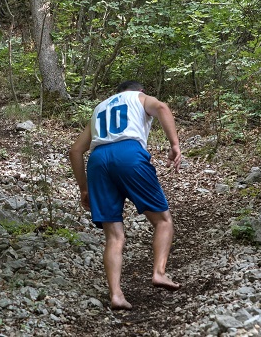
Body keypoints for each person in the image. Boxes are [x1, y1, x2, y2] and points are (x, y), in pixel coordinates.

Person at [68, 81, 182, 311]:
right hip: (128, 153)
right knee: (163, 221)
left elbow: (75, 151)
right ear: (140, 90)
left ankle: (116, 295)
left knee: (114, 236)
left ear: (116, 93)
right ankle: (159, 272)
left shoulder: (100, 108)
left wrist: (84, 188)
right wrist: (174, 144)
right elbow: (162, 107)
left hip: (98, 161)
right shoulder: (139, 98)